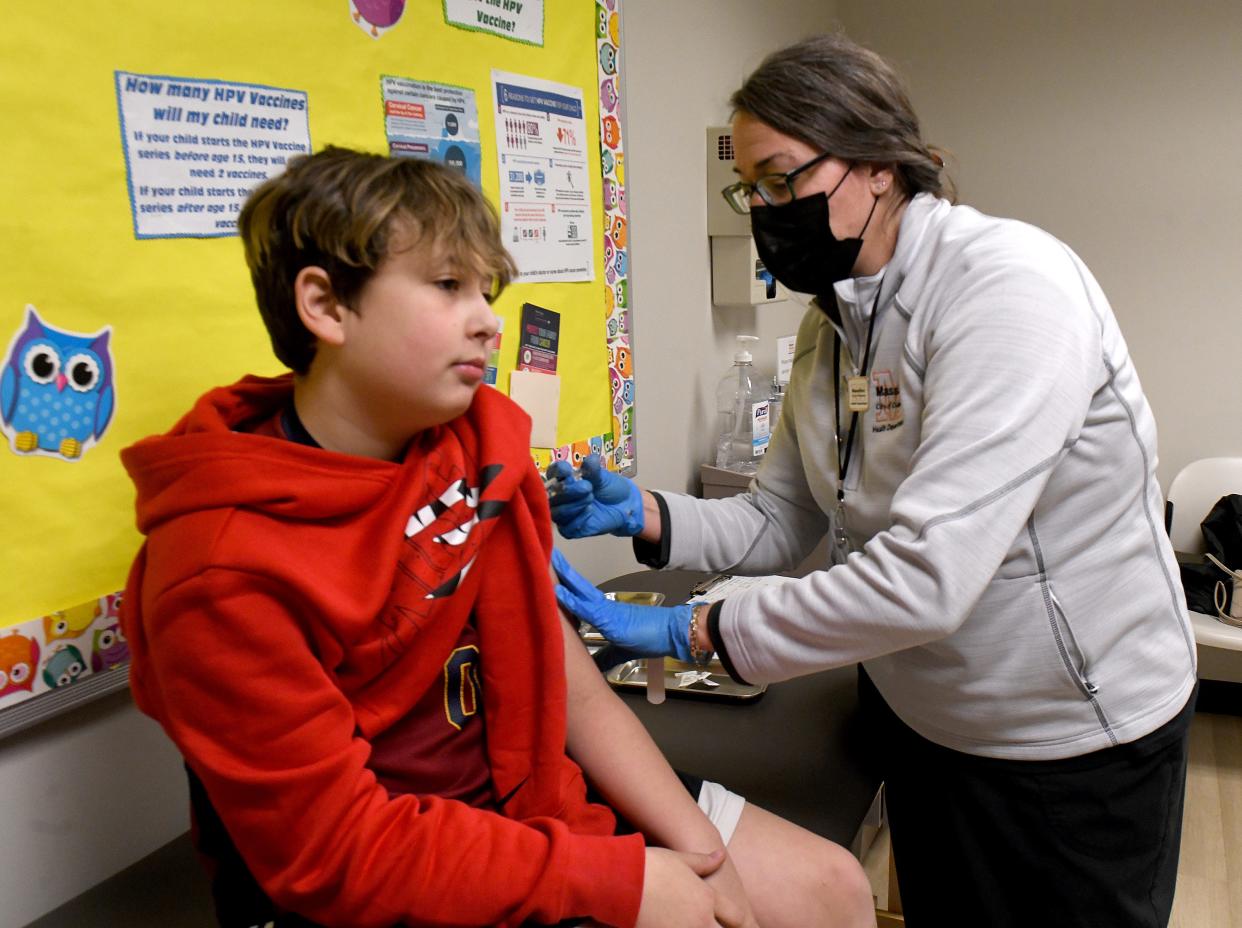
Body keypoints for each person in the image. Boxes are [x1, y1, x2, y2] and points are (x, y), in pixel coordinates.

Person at [118, 146, 875, 928]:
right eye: (448, 286)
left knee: (832, 889)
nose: (488, 320)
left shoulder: (475, 447)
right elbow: (342, 854)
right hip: (400, 864)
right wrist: (625, 883)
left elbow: (562, 677)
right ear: (326, 305)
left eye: (488, 289)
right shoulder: (219, 567)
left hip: (536, 795)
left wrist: (703, 862)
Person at [549, 32, 1196, 928]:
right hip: (922, 714)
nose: (765, 210)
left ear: (879, 168)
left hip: (1063, 734)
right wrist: (647, 512)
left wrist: (691, 628)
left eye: (784, 179)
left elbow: (930, 580)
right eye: (751, 190)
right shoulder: (833, 325)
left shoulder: (1007, 290)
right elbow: (782, 518)